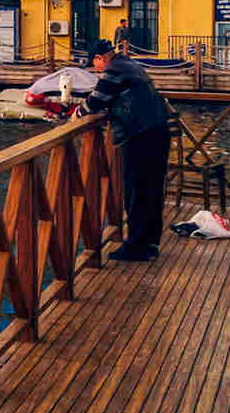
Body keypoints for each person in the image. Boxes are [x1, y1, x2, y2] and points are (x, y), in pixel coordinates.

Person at [73, 38, 171, 261]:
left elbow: (96, 100)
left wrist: (77, 114)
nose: (96, 69)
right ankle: (150, 244)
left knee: (135, 190)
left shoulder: (113, 70)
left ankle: (136, 246)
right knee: (152, 190)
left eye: (94, 64)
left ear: (100, 58)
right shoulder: (129, 63)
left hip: (140, 135)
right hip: (158, 130)